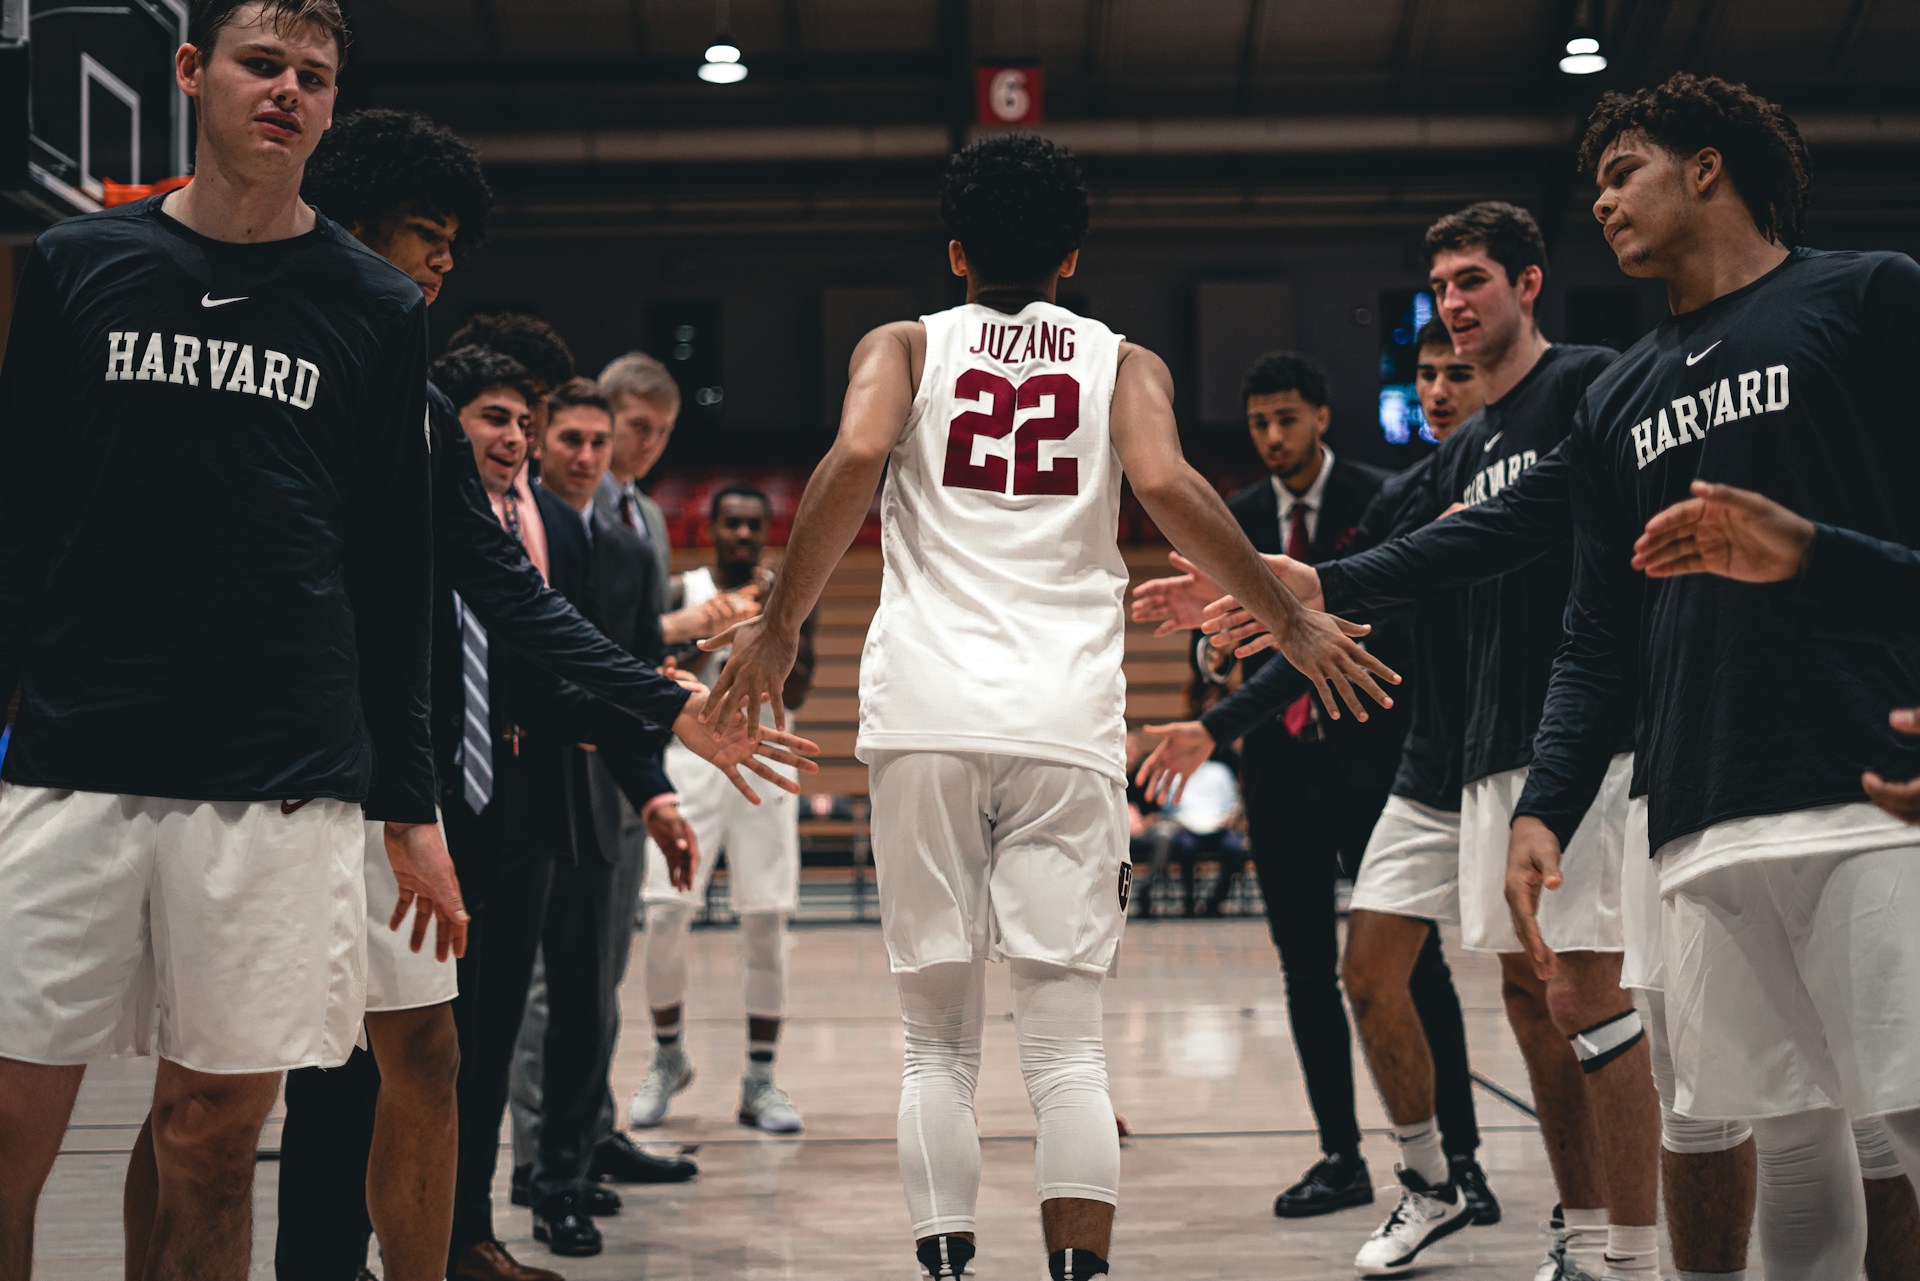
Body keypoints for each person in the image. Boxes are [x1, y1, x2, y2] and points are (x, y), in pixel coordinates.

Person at [697, 133, 1397, 1281]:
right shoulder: (1127, 362)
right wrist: (1285, 613)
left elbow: (857, 453)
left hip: (923, 713)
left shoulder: (904, 343)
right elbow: (1167, 487)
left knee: (935, 1044)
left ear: (956, 249)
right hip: (1064, 721)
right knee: (1068, 1045)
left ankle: (949, 1270)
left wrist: (779, 626)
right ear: (1073, 257)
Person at [0, 5, 465, 1280]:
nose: (288, 94)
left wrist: (410, 806)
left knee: (209, 1133)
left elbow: (394, 571)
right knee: (6, 1126)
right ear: (194, 73)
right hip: (73, 756)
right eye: (264, 66)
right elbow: (19, 522)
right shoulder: (79, 262)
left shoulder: (374, 306)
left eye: (314, 79)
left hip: (279, 776)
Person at [1195, 202, 1660, 1280]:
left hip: (1570, 734)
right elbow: (1363, 570)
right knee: (1375, 968)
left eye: (1473, 282)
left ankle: (1604, 1241)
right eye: (1441, 287)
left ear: (1529, 283)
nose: (1453, 306)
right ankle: (1438, 1185)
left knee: (1567, 998)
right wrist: (1243, 601)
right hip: (1455, 754)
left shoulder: (1587, 387)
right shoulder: (1454, 460)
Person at [1506, 71, 1920, 1279]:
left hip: (1868, 785)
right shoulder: (1616, 395)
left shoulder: (1869, 297)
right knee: (1788, 1145)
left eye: (1621, 172)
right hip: (1693, 814)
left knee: (1906, 1123)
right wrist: (1547, 800)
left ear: (1707, 167)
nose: (1603, 204)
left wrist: (1807, 554)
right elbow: (1599, 633)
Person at [431, 348, 817, 1280]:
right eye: (525, 427)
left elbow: (557, 667)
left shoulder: (615, 521)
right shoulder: (539, 521)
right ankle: (534, 1172)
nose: (548, 447)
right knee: (471, 1024)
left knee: (586, 990)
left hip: (609, 761)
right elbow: (579, 648)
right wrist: (669, 690)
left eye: (621, 435)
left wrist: (652, 760)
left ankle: (541, 1176)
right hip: (480, 782)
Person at [1133, 319, 1500, 1268]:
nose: (1270, 437)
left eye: (1285, 419)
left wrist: (1224, 700)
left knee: (1413, 969)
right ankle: (1341, 1153)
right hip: (1280, 769)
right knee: (1304, 964)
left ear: (1322, 417)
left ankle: (1461, 1158)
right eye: (1257, 422)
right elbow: (1220, 642)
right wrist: (1212, 646)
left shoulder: (1385, 497)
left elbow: (1358, 628)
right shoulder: (1238, 510)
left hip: (1379, 757)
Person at [629, 485, 817, 1135]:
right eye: (731, 524)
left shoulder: (787, 590)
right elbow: (654, 668)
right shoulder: (684, 591)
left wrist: (766, 624)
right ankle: (667, 1054)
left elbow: (799, 681)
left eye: (753, 526)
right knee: (663, 911)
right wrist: (714, 629)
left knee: (766, 920)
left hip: (766, 755)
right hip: (691, 757)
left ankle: (760, 1079)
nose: (742, 535)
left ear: (767, 532)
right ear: (709, 528)